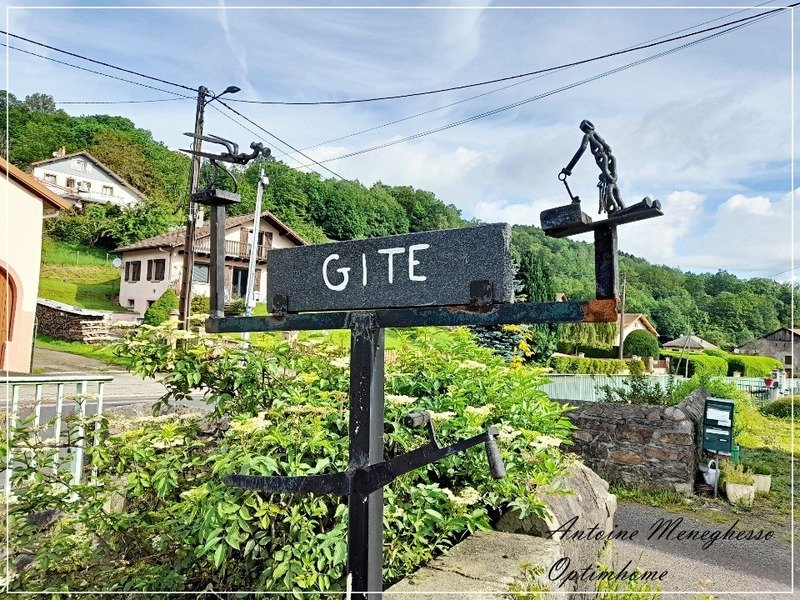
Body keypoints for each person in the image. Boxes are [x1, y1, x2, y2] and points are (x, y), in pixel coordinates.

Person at [560, 120, 626, 215]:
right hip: (607, 164)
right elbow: (608, 147)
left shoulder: (588, 136)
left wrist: (568, 169)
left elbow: (582, 149)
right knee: (613, 186)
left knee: (611, 186)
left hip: (605, 164)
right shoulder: (596, 135)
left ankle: (616, 209)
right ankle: (619, 209)